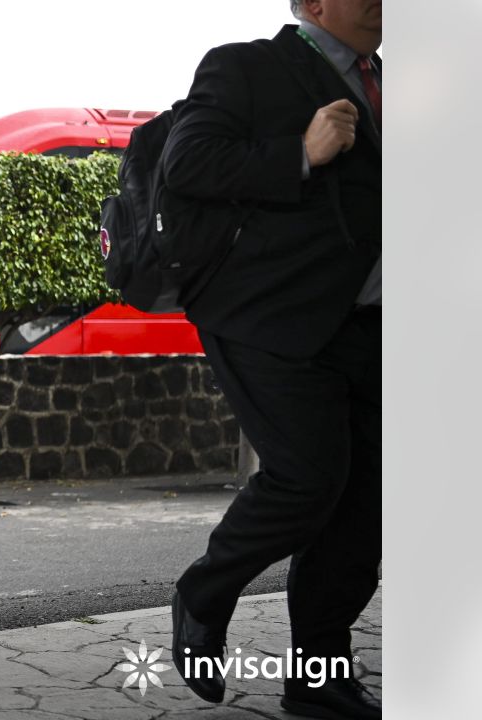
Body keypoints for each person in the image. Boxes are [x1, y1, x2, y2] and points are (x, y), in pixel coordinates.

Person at [162, 2, 381, 717]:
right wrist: (301, 151)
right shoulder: (245, 64)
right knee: (309, 478)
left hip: (373, 324)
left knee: (365, 508)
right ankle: (204, 591)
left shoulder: (395, 85)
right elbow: (188, 163)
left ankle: (318, 678)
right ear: (316, 2)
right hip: (267, 318)